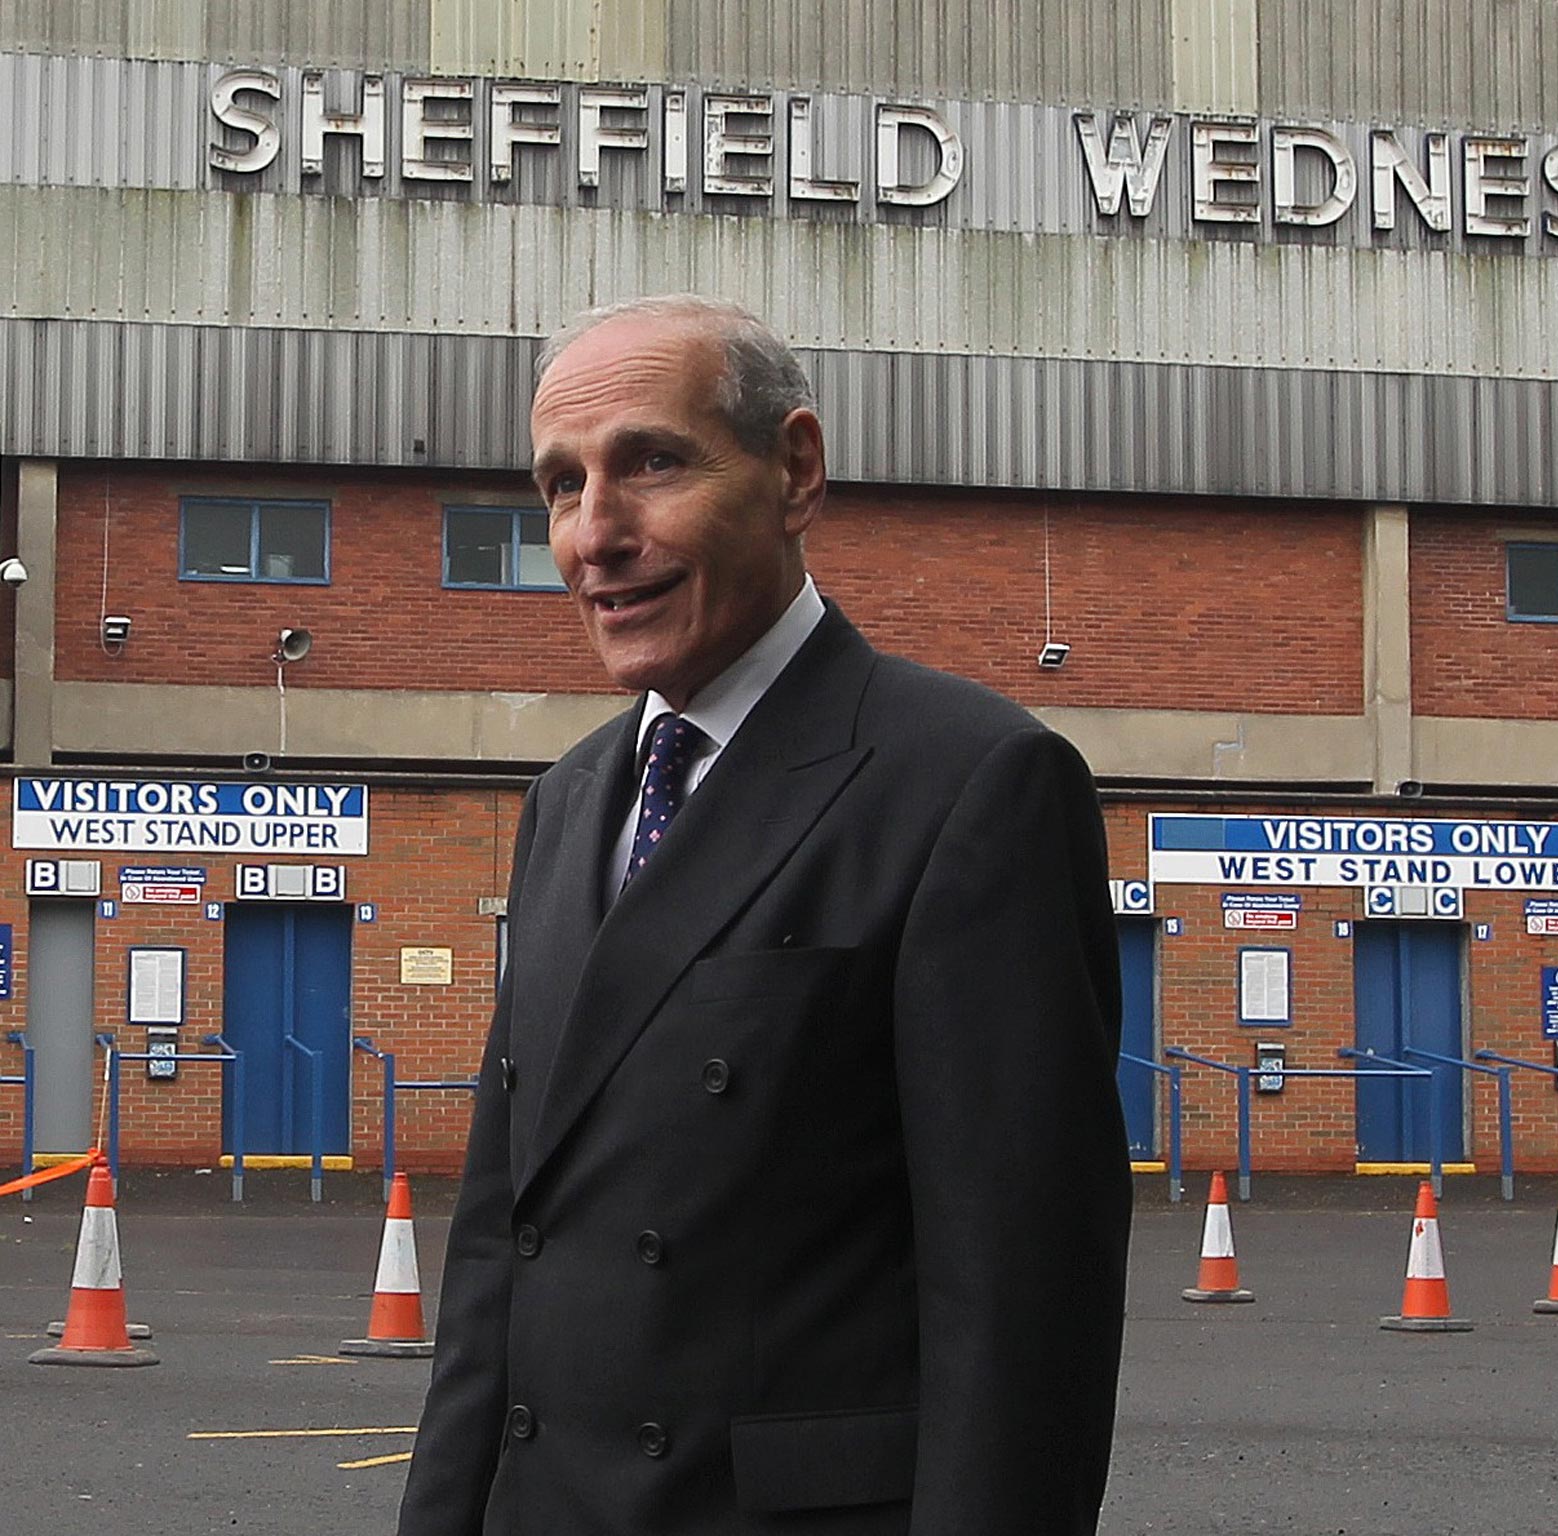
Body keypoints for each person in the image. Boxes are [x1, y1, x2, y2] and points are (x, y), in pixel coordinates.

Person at [397, 295, 1132, 1535]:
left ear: (794, 472)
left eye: (651, 463)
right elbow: (495, 1249)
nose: (595, 535)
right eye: (561, 487)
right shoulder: (569, 800)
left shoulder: (968, 783)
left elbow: (1020, 1308)